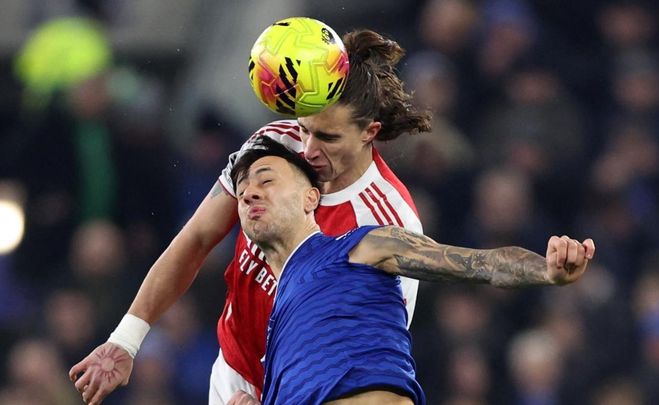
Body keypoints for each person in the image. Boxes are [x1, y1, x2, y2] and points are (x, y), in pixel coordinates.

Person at [69, 28, 432, 405]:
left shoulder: (389, 222)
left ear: (370, 132)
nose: (308, 149)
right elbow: (197, 239)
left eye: (328, 137)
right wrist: (125, 340)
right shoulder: (272, 145)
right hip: (234, 373)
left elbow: (367, 362)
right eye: (304, 128)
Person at [225, 137, 595, 405]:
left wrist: (545, 271)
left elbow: (479, 264)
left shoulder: (361, 246)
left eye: (266, 180)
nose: (250, 193)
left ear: (311, 197)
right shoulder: (275, 327)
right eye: (242, 190)